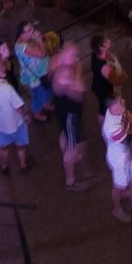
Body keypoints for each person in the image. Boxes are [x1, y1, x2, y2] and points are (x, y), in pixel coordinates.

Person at [51, 37, 91, 191]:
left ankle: (69, 151)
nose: (76, 58)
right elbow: (79, 94)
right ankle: (71, 181)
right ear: (64, 54)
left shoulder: (56, 63)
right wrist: (78, 73)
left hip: (64, 113)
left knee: (65, 135)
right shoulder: (64, 77)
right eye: (73, 55)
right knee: (72, 147)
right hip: (70, 115)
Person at [102, 94, 132, 223]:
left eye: (122, 100)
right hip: (119, 161)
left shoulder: (115, 111)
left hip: (124, 155)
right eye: (120, 103)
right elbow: (130, 139)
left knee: (124, 184)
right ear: (113, 106)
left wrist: (131, 122)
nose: (124, 102)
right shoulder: (112, 128)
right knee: (118, 187)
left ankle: (124, 194)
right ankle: (117, 209)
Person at [15, 22, 53, 120]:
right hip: (35, 76)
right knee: (39, 94)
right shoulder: (23, 47)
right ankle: (36, 114)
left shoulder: (28, 39)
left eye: (32, 28)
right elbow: (42, 54)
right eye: (30, 30)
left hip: (43, 71)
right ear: (22, 34)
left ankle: (46, 104)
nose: (33, 30)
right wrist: (39, 39)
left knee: (48, 89)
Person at [90, 35, 126, 114]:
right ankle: (105, 123)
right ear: (101, 48)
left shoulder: (96, 53)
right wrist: (124, 77)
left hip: (99, 84)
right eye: (106, 41)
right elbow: (116, 82)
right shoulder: (105, 67)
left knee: (104, 106)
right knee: (106, 110)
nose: (109, 40)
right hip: (106, 91)